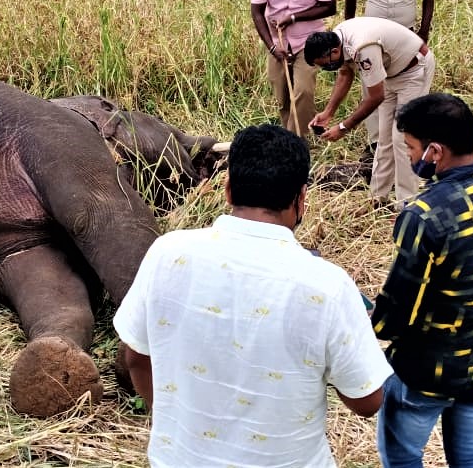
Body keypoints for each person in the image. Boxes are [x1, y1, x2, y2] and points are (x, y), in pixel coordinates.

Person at [113, 124, 394, 468]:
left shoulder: (166, 252)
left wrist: (171, 421)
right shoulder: (328, 286)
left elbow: (136, 357)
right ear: (301, 199)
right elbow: (367, 401)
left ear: (228, 189)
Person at [372, 93, 473, 468]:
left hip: (426, 370)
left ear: (434, 151)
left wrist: (367, 317)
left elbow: (398, 316)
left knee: (402, 457)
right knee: (471, 457)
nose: (410, 156)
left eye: (410, 147)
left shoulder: (424, 215)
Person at [304, 17, 435, 208]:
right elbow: (345, 73)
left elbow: (375, 97)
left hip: (414, 70)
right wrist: (328, 113)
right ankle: (378, 199)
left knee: (402, 139)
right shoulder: (338, 38)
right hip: (390, 75)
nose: (326, 68)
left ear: (334, 51)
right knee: (385, 139)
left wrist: (344, 127)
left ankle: (406, 205)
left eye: (325, 64)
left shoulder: (363, 47)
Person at [345, 0, 436, 159]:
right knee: (372, 89)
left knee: (406, 89)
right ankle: (376, 144)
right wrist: (350, 30)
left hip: (405, 40)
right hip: (372, 42)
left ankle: (405, 141)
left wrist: (424, 31)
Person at [250, 0, 338, 137]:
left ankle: (296, 140)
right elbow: (257, 12)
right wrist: (272, 47)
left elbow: (329, 6)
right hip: (278, 42)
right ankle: (290, 134)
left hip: (308, 42)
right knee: (282, 95)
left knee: (303, 92)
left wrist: (294, 17)